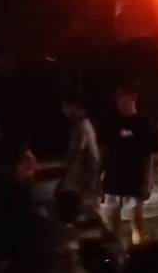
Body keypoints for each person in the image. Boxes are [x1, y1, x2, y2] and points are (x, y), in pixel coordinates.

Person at [102, 82, 158, 245]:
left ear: (133, 98)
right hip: (113, 180)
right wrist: (100, 176)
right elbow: (103, 152)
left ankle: (139, 255)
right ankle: (116, 256)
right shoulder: (111, 122)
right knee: (112, 226)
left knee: (137, 225)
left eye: (122, 96)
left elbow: (150, 155)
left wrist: (147, 181)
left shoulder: (143, 124)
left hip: (133, 182)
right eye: (117, 97)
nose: (118, 101)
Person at [60, 93, 101, 223]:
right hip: (77, 187)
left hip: (78, 188)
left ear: (75, 106)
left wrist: (90, 188)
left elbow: (91, 159)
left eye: (66, 107)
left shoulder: (83, 128)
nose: (64, 111)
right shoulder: (81, 127)